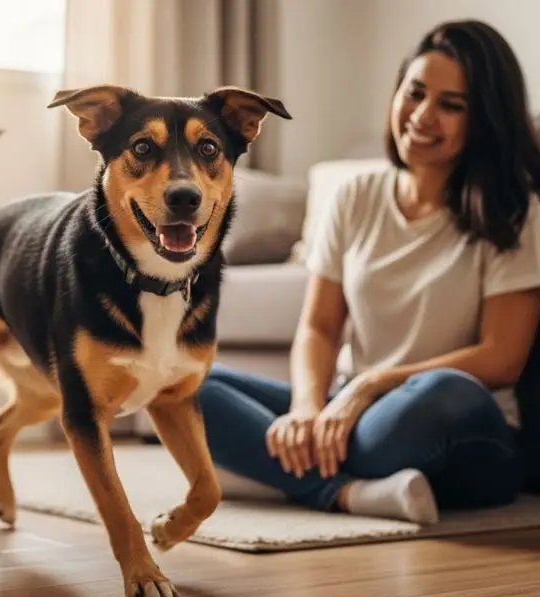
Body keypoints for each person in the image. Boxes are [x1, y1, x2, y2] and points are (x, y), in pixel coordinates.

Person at [198, 19, 540, 524]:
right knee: (186, 385)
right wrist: (308, 409)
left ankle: (267, 469)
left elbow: (502, 358)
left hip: (459, 425)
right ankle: (349, 493)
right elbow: (318, 326)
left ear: (484, 119)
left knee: (441, 392)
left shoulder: (516, 212)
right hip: (352, 411)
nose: (423, 115)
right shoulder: (355, 196)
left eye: (452, 105)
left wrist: (368, 386)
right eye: (415, 93)